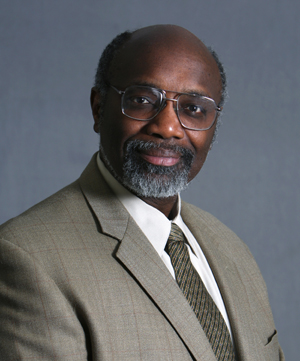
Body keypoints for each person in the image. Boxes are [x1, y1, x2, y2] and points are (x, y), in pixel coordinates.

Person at [0, 24, 284, 361]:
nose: (167, 127)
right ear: (98, 107)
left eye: (193, 108)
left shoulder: (232, 252)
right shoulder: (27, 258)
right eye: (142, 100)